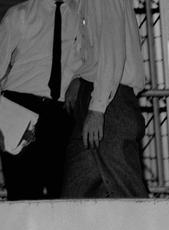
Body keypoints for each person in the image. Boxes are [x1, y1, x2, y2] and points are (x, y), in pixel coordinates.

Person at [0, 0, 81, 200]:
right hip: (19, 110)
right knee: (23, 196)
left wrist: (79, 80)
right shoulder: (21, 13)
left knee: (65, 197)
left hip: (62, 115)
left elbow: (91, 60)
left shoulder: (82, 15)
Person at [62, 0, 149, 198]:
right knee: (76, 194)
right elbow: (88, 47)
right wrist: (79, 78)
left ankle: (147, 228)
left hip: (110, 100)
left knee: (127, 192)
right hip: (97, 95)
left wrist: (97, 109)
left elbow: (111, 50)